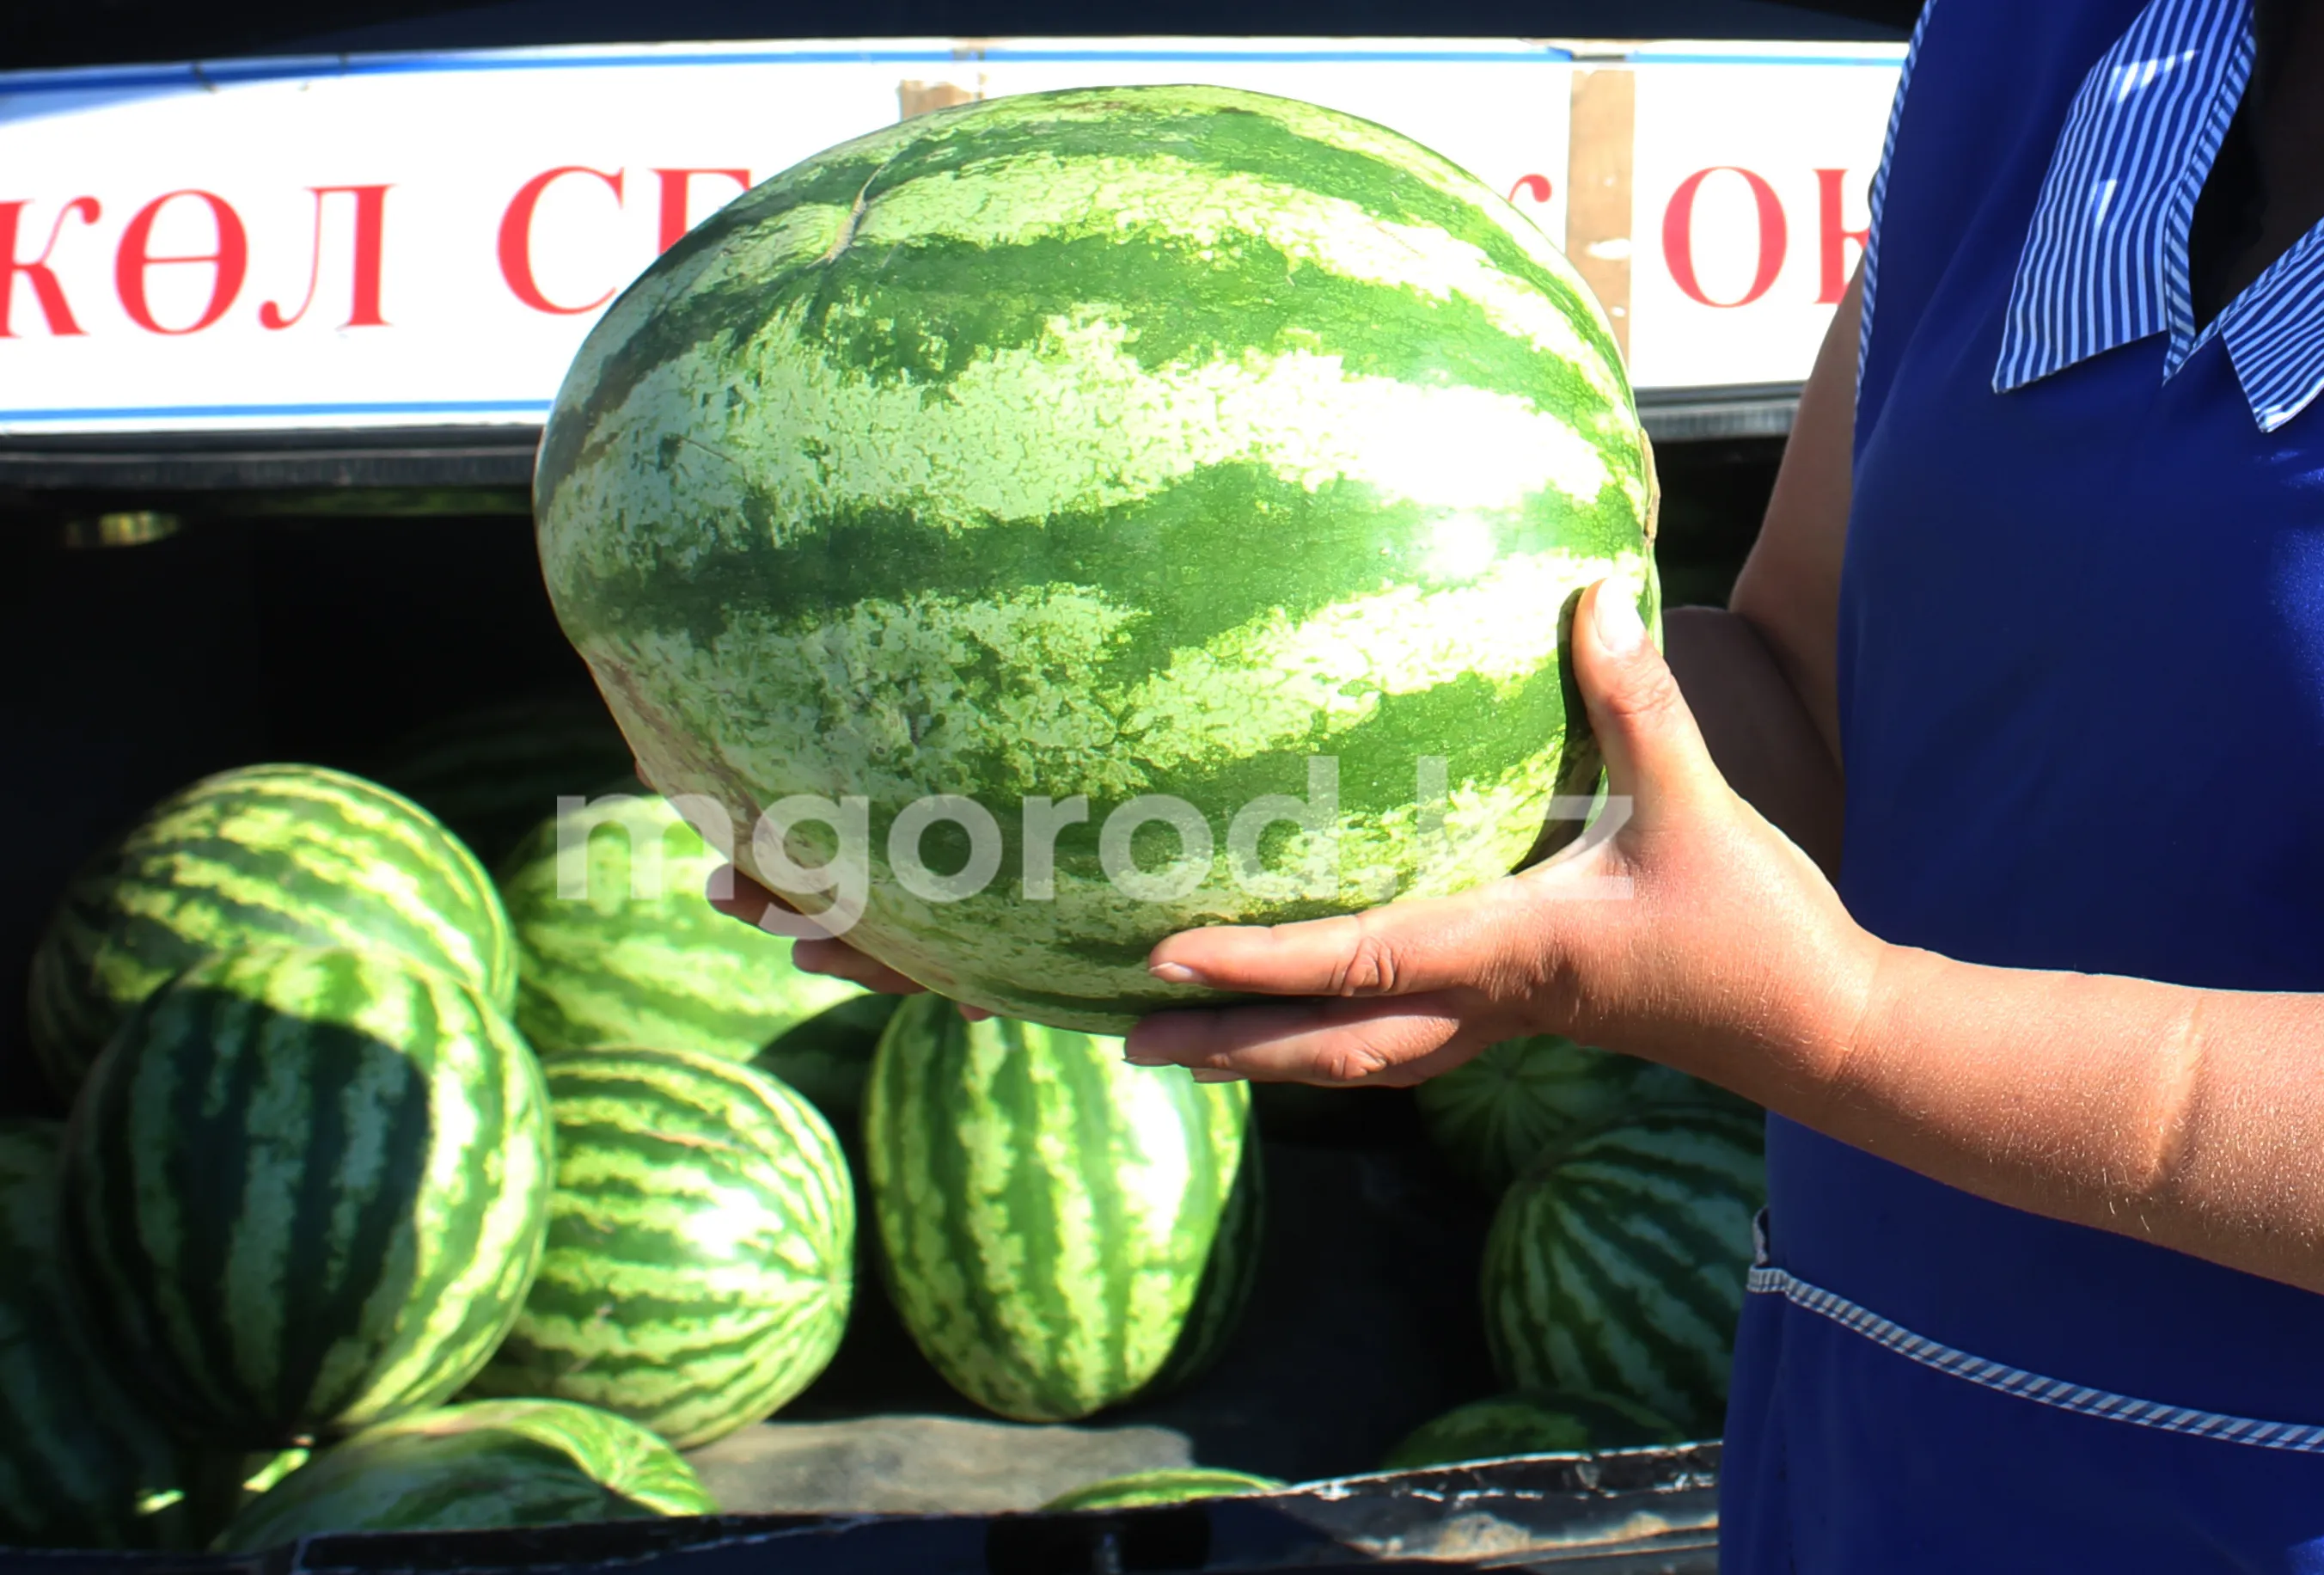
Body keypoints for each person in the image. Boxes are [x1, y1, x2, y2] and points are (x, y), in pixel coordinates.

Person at [712, 0, 2324, 1561]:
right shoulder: (2044, 34)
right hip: (1878, 1464)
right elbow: (1816, 704)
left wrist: (1838, 1024)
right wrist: (1162, 836)